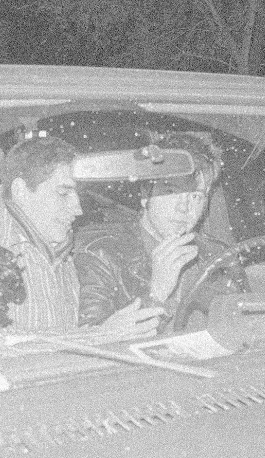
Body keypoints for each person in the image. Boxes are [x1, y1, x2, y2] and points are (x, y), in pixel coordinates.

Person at [0, 133, 164, 342]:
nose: (78, 209)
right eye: (63, 193)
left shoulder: (63, 254)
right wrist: (97, 337)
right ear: (21, 191)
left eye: (78, 195)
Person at [74, 135, 245, 330]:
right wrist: (156, 293)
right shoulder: (102, 254)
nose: (184, 208)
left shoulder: (218, 255)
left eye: (196, 196)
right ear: (145, 195)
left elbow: (243, 328)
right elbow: (91, 340)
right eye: (171, 191)